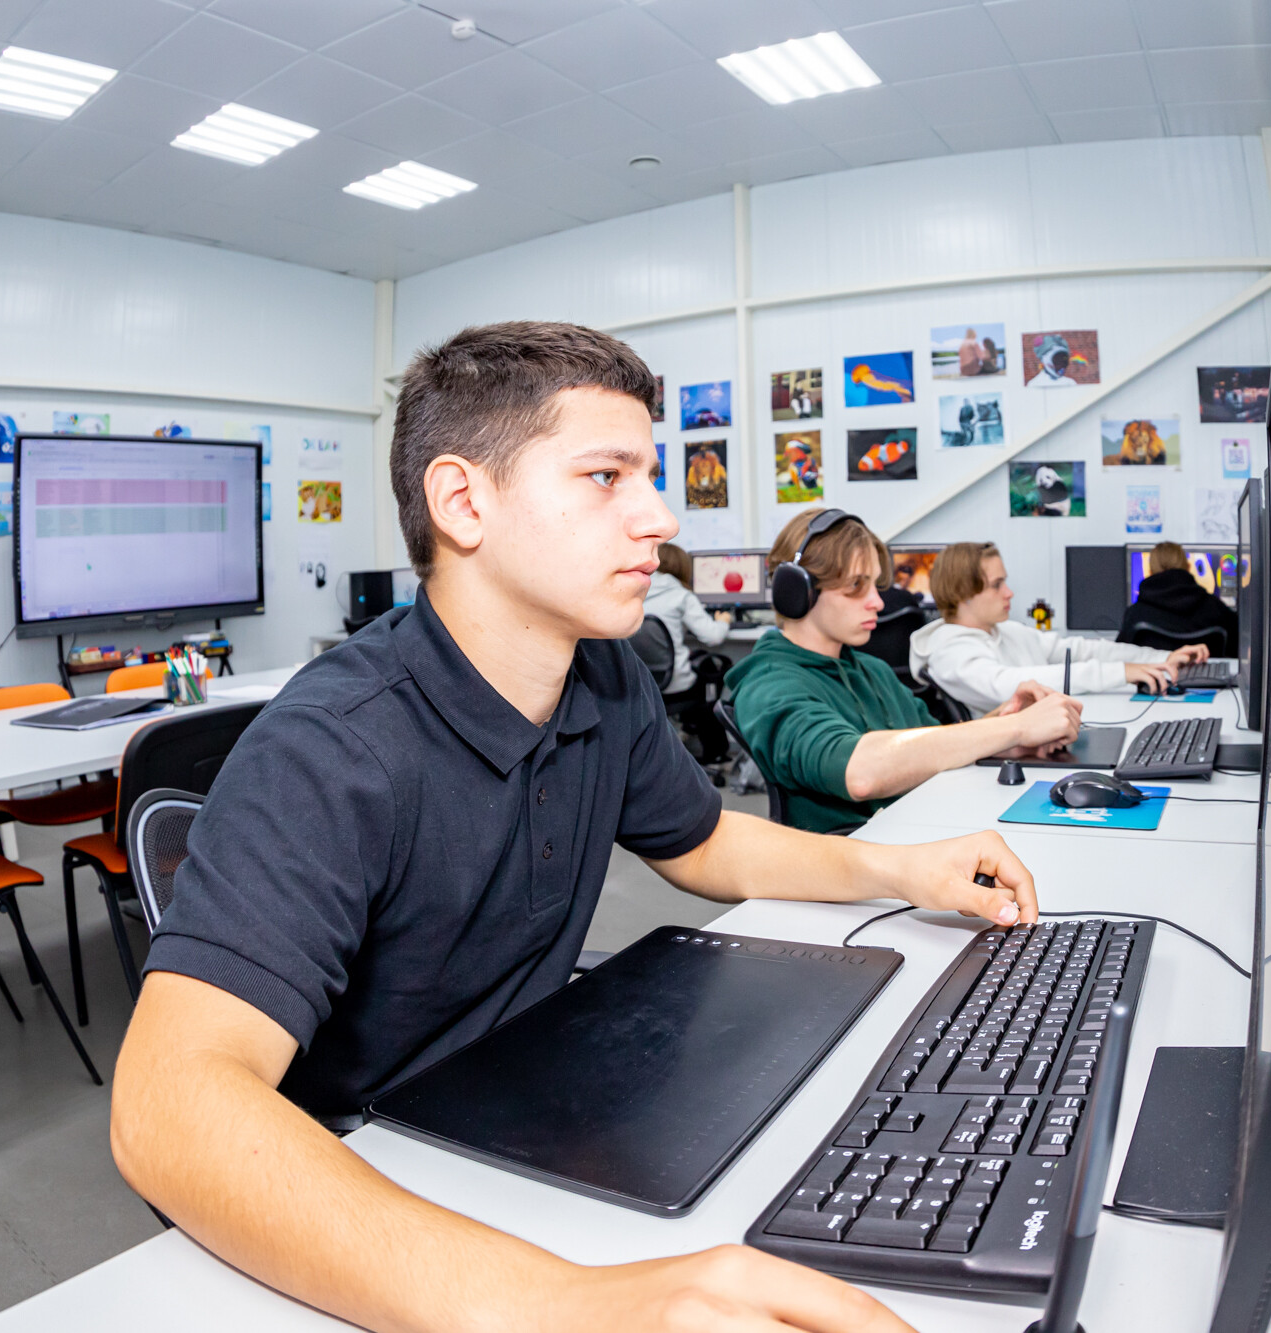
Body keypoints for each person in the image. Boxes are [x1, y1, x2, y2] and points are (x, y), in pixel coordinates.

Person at [111, 322, 1040, 1333]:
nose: (661, 516)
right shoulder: (329, 748)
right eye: (606, 476)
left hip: (533, 1100)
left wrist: (901, 869)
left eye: (650, 474)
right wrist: (567, 1308)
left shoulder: (602, 670)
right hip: (376, 1173)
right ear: (463, 502)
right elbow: (169, 1104)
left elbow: (706, 841)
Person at [726, 509, 1084, 834]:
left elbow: (932, 742)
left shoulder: (870, 670)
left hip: (920, 833)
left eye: (875, 585)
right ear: (797, 592)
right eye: (856, 586)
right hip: (861, 864)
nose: (878, 602)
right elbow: (858, 772)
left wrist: (1006, 724)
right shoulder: (769, 685)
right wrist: (1016, 727)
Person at [908, 543, 1203, 715]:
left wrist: (1160, 658)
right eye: (997, 585)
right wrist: (1120, 673)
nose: (1009, 593)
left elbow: (1079, 649)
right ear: (962, 593)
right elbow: (1008, 684)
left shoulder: (1004, 631)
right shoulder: (950, 653)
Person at [643, 541, 731, 762]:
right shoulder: (680, 595)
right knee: (710, 670)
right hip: (676, 686)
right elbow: (713, 637)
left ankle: (684, 731)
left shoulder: (634, 591)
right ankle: (716, 753)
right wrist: (724, 621)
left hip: (641, 684)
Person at [1122, 540, 1241, 656]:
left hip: (1156, 670)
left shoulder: (1135, 615)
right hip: (1206, 670)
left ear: (1149, 572)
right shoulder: (1217, 610)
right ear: (1188, 567)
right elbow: (1237, 651)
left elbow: (1123, 655)